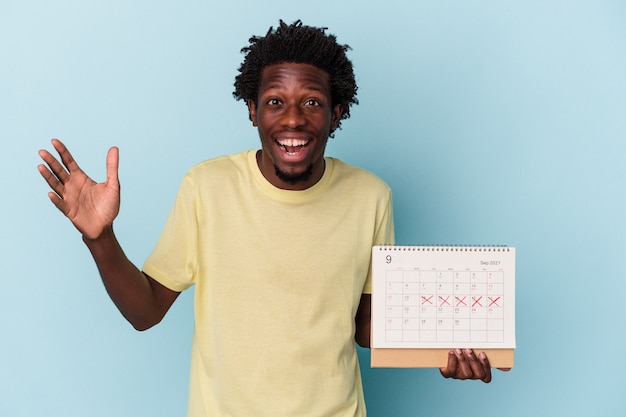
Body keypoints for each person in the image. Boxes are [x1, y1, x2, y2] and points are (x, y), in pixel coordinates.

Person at [38, 20, 502, 417]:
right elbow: (146, 312)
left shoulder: (371, 197)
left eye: (313, 103)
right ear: (252, 111)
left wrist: (441, 351)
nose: (293, 119)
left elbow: (364, 324)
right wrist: (100, 238)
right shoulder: (207, 187)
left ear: (336, 114)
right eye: (276, 101)